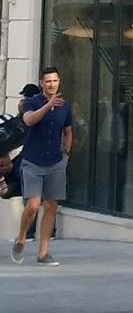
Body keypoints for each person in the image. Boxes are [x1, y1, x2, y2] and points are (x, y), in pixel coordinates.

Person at [12, 68, 72, 266]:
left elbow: (68, 132)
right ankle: (21, 237)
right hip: (32, 161)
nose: (52, 84)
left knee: (51, 205)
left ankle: (43, 253)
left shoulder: (65, 106)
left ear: (59, 81)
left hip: (55, 162)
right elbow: (29, 120)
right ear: (41, 83)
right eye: (48, 81)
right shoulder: (31, 102)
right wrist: (48, 106)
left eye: (55, 80)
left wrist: (66, 155)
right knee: (32, 205)